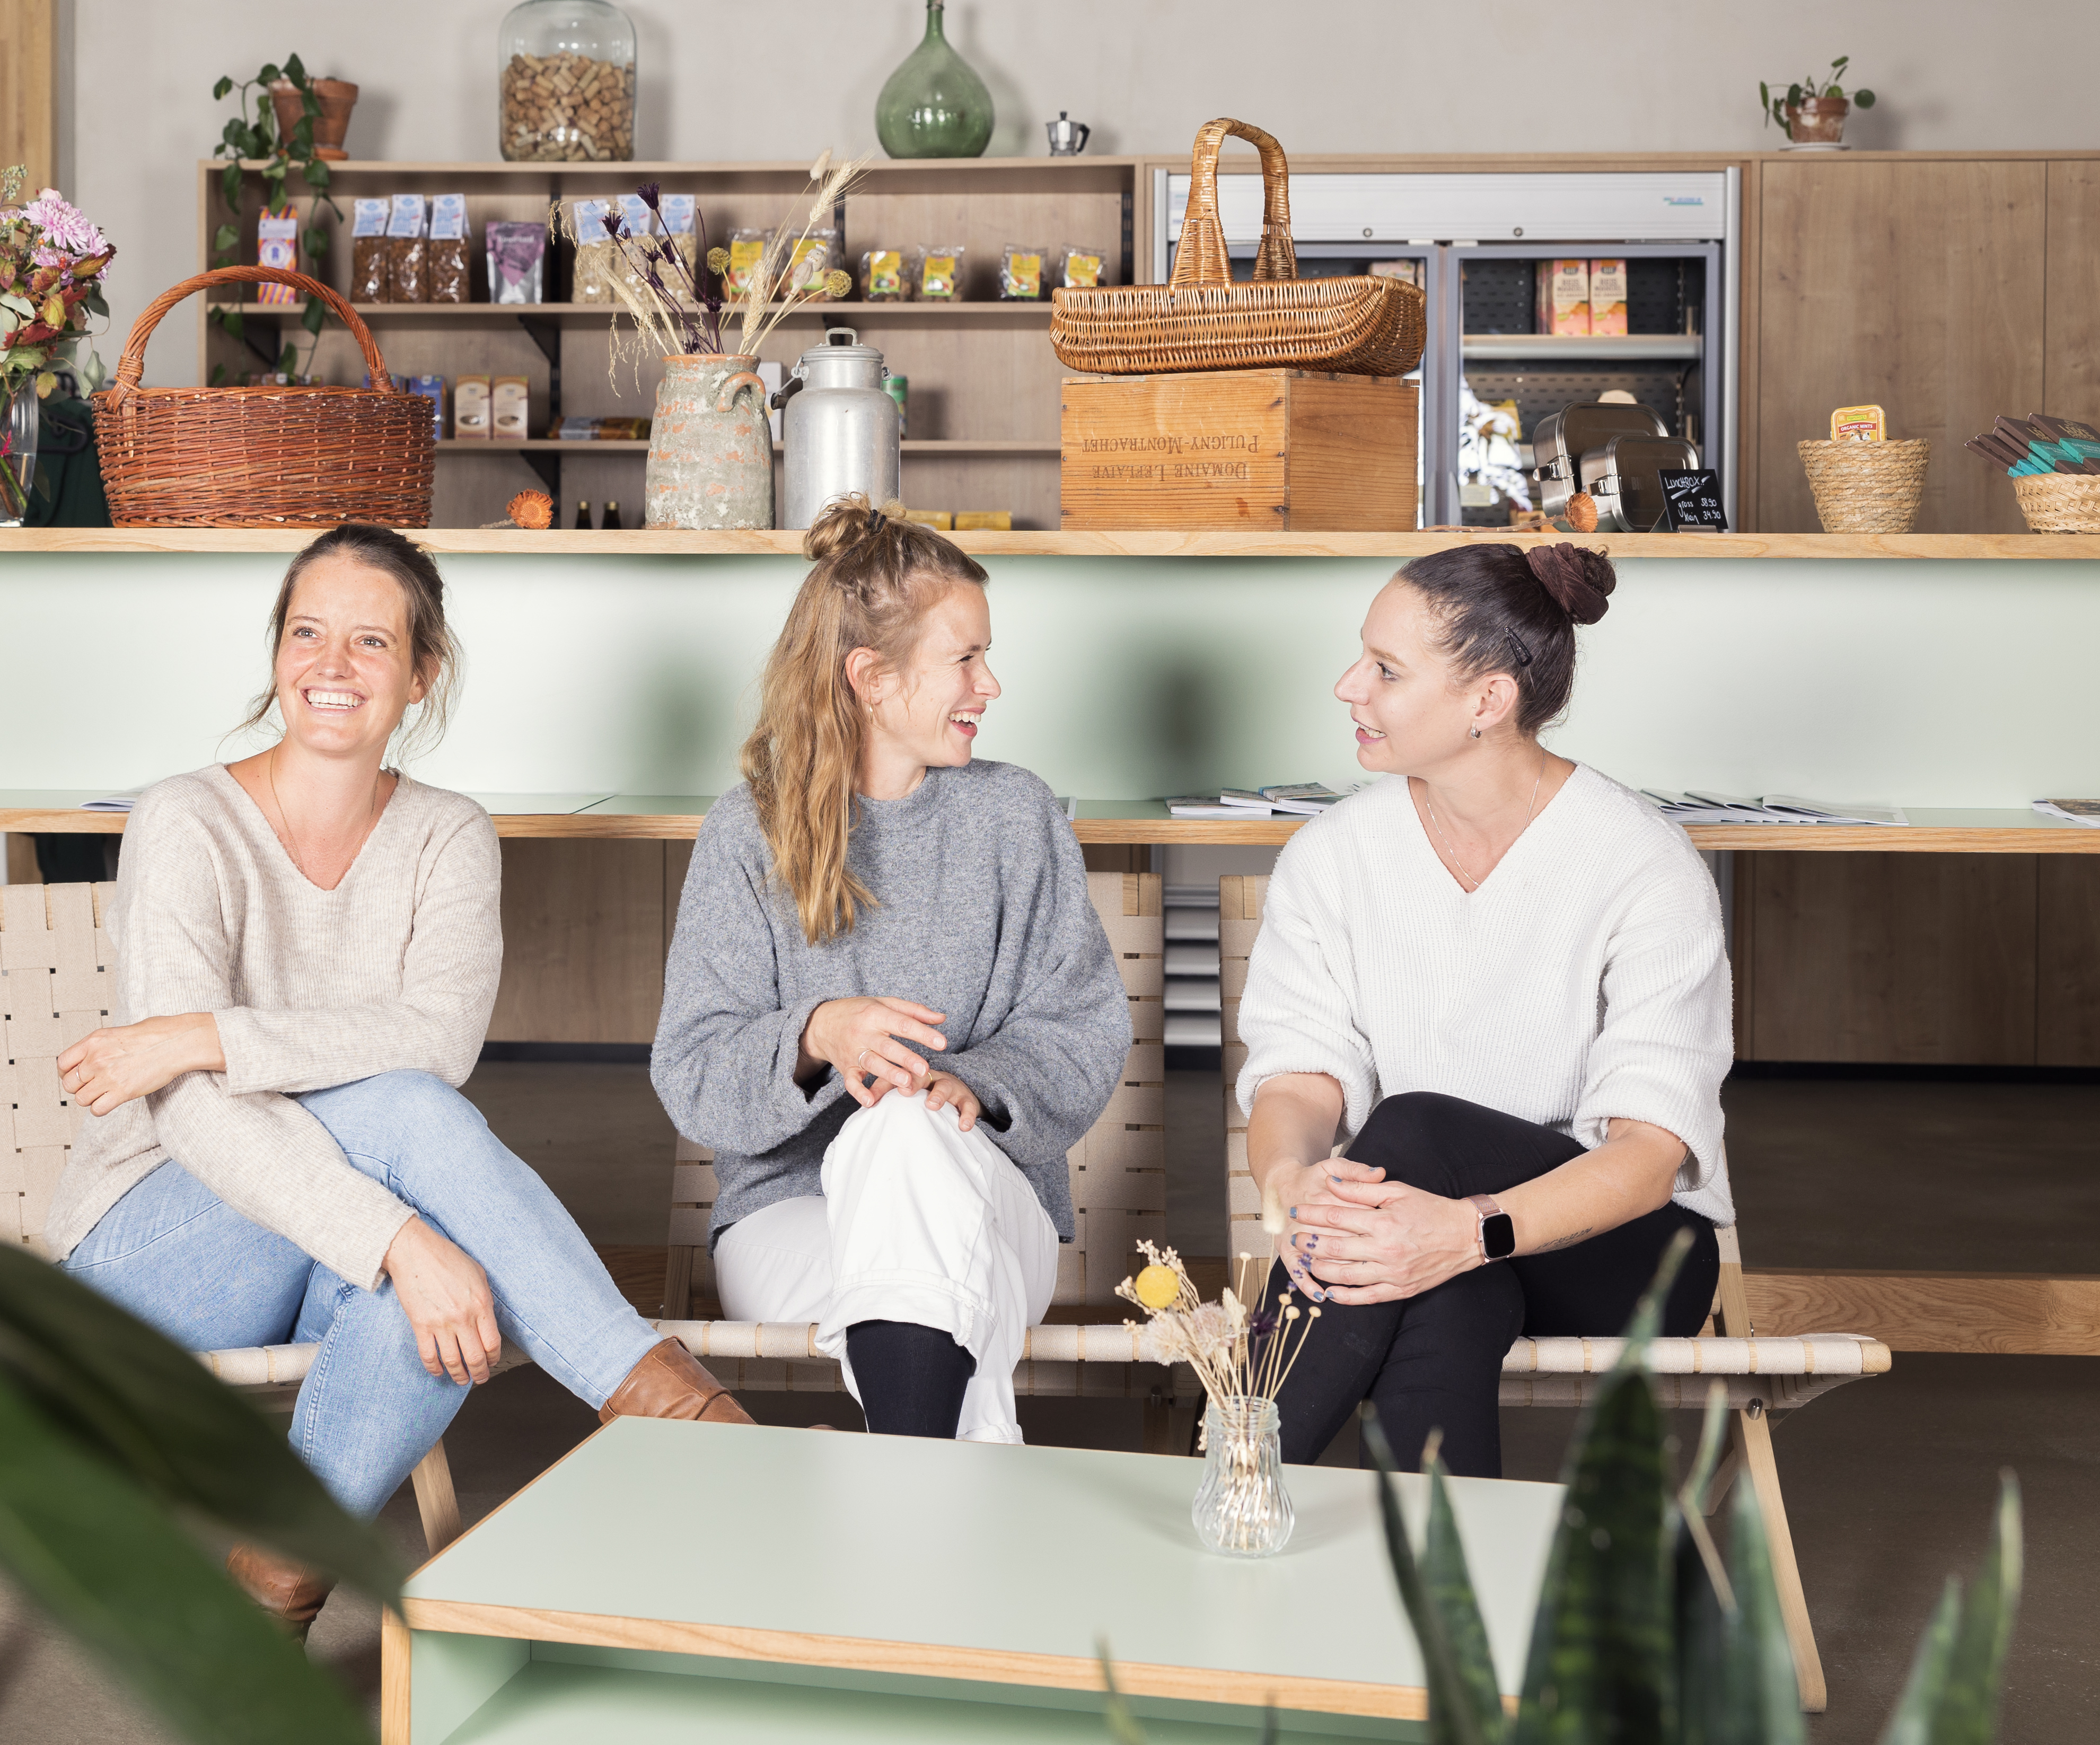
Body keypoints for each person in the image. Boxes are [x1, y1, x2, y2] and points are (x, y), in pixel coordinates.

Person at [43, 523, 751, 1638]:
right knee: (417, 1169)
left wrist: (208, 1035)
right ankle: (668, 1403)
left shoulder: (448, 835)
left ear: (420, 677)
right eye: (308, 633)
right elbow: (194, 1116)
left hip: (325, 1235)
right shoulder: (186, 821)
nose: (333, 665)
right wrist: (397, 1237)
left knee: (439, 1290)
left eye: (371, 641)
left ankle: (276, 1581)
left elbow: (438, 1038)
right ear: (277, 653)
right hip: (157, 1251)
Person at [1237, 541, 1730, 1479]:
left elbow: (1648, 1155)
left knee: (1413, 1129)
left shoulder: (1641, 864)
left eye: (1386, 670)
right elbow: (1298, 1071)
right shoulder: (1334, 855)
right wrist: (1292, 1179)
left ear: (1488, 701)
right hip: (1411, 1245)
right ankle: (1453, 1607)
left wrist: (1464, 1230)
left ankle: (1232, 1480)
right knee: (1440, 1295)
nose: (1349, 686)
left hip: (1623, 1258)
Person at [652, 498, 1130, 1444]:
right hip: (791, 1225)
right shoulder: (747, 833)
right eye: (965, 659)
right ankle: (936, 1505)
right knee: (938, 1271)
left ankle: (902, 1500)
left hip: (994, 1206)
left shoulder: (1016, 818)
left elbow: (1082, 1029)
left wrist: (969, 1087)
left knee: (907, 1131)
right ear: (870, 677)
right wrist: (817, 1034)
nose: (990, 686)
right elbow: (694, 1069)